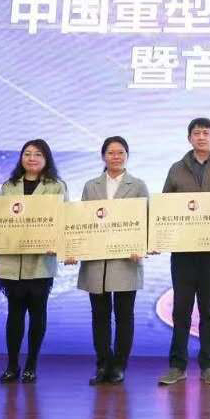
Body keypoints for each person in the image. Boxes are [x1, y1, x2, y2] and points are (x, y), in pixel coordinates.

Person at [156, 117, 210, 387]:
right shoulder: (176, 169)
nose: (202, 137)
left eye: (206, 133)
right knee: (181, 310)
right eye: (197, 133)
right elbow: (164, 208)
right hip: (183, 252)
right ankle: (177, 366)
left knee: (208, 310)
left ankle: (208, 366)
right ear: (189, 138)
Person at [67, 136, 149, 385]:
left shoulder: (138, 185)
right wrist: (72, 248)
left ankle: (119, 366)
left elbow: (146, 220)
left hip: (126, 259)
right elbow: (82, 221)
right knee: (99, 315)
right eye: (111, 152)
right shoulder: (91, 186)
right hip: (96, 260)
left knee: (125, 316)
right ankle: (103, 364)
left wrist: (141, 247)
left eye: (121, 152)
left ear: (127, 156)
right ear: (103, 156)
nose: (116, 156)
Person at [0, 139, 68, 384]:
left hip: (41, 261)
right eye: (27, 154)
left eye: (38, 154)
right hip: (12, 261)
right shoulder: (9, 186)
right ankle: (12, 365)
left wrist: (58, 244)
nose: (32, 158)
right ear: (21, 158)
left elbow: (63, 221)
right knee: (14, 314)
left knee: (38, 314)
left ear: (46, 159)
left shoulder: (56, 186)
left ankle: (31, 365)